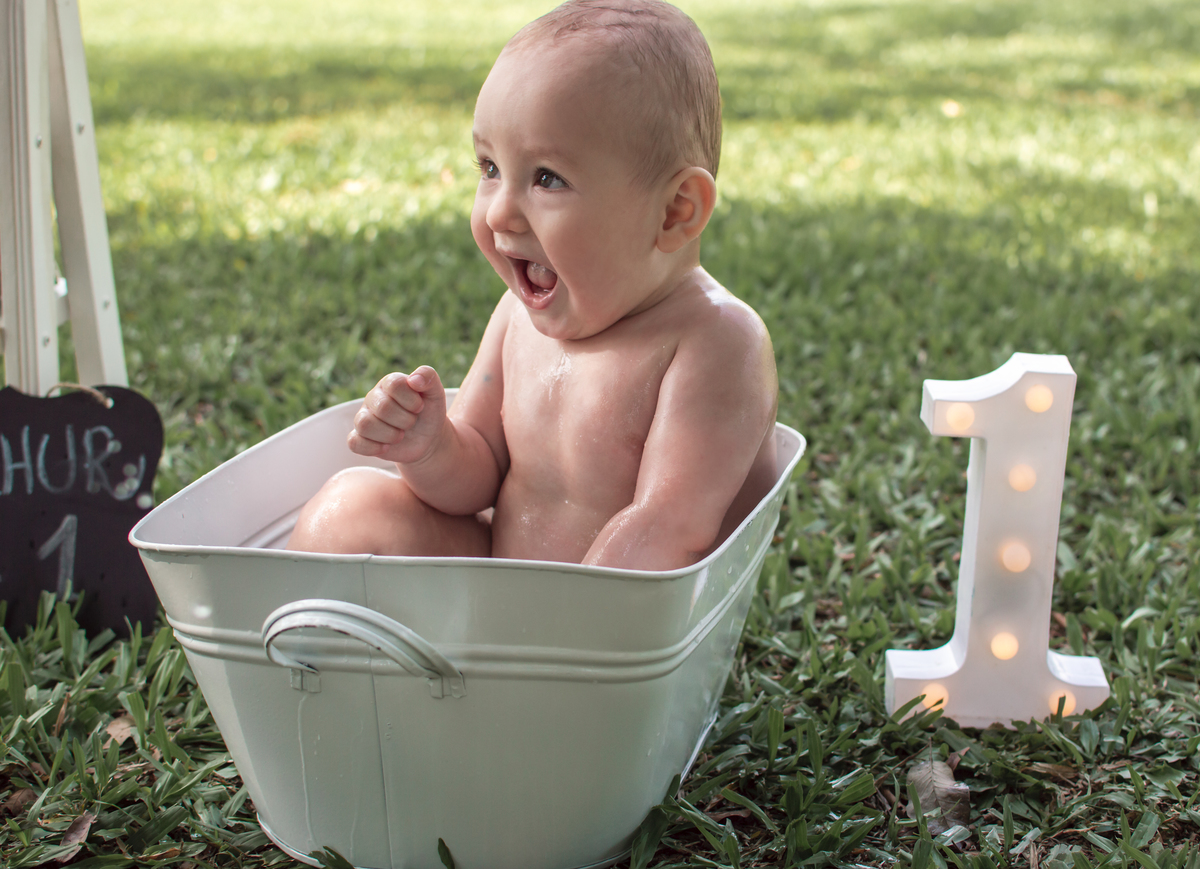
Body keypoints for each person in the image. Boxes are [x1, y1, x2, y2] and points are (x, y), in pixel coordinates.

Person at [287, 0, 778, 571]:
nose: (499, 212)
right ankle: (300, 625)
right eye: (490, 169)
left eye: (547, 178)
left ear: (675, 211)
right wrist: (432, 448)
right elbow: (479, 473)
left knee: (626, 578)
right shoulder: (517, 318)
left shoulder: (716, 343)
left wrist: (561, 619)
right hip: (506, 590)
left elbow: (669, 527)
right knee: (350, 506)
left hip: (616, 613)